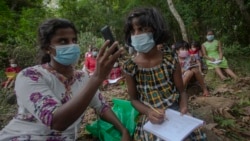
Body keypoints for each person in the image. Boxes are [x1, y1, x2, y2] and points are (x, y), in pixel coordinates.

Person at [0, 18, 130, 141]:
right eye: (63, 41)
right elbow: (57, 122)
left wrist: (123, 130)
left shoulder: (82, 78)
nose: (71, 45)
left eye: (74, 40)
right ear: (47, 48)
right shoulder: (30, 76)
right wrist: (97, 78)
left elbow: (102, 107)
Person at [123, 7, 206, 141]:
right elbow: (133, 100)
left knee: (192, 136)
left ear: (156, 31)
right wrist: (149, 112)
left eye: (142, 29)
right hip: (151, 116)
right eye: (133, 31)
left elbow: (182, 91)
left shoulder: (170, 59)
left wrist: (183, 107)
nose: (137, 34)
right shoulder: (130, 66)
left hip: (174, 111)